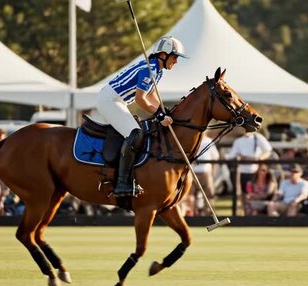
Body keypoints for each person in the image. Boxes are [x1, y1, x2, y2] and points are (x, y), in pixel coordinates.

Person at [89, 36, 188, 198]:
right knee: (136, 133)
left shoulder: (158, 71)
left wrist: (164, 111)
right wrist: (158, 114)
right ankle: (121, 183)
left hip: (118, 101)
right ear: (163, 54)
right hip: (110, 100)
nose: (176, 61)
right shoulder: (149, 69)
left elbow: (152, 94)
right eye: (175, 57)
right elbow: (140, 99)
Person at [188, 134, 220, 216]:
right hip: (193, 171)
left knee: (209, 194)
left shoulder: (209, 141)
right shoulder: (193, 139)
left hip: (206, 171)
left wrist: (212, 173)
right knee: (191, 194)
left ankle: (209, 214)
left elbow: (215, 157)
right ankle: (194, 214)